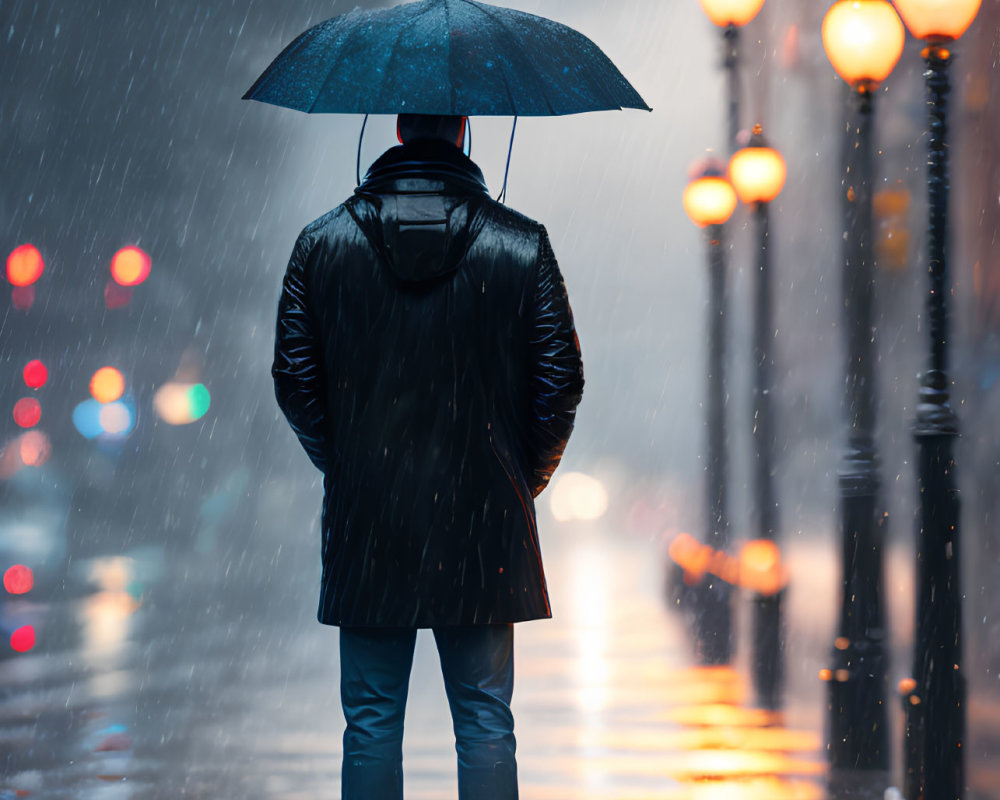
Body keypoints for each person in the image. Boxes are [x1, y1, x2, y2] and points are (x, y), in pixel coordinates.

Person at [271, 113, 584, 800]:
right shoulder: (521, 245)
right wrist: (514, 478)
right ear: (465, 128)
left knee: (372, 721)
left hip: (371, 519)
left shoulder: (322, 244)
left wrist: (351, 462)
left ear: (397, 126)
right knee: (484, 721)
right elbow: (561, 383)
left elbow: (294, 378)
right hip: (482, 525)